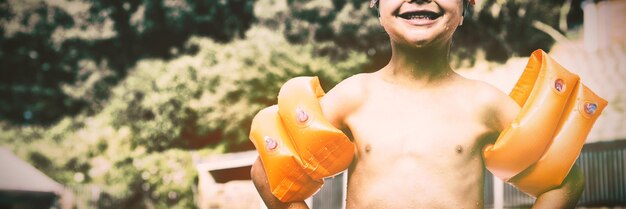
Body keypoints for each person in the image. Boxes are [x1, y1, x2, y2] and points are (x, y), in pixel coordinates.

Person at [250, 0, 585, 208]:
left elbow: (566, 181)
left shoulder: (484, 103)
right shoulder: (355, 95)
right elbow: (266, 169)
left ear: (466, 7)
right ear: (376, 5)